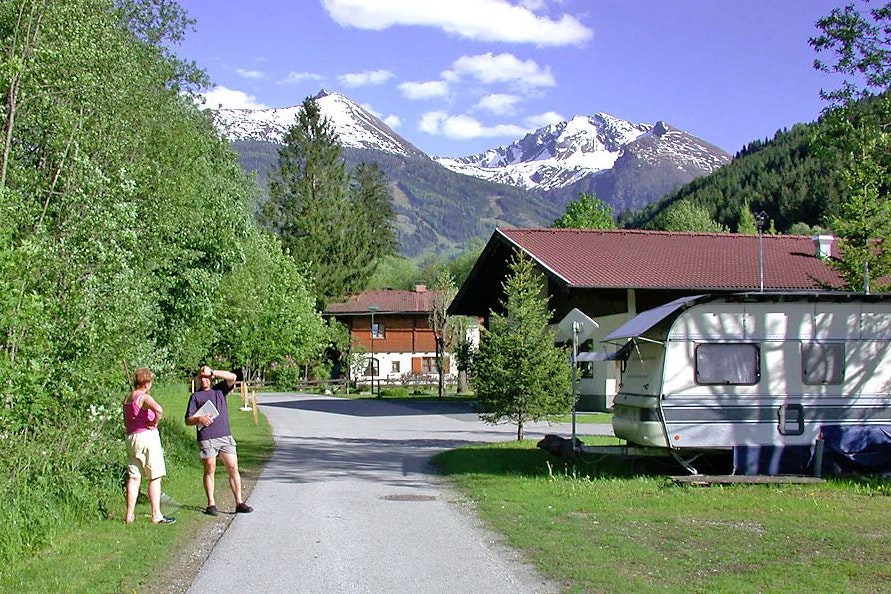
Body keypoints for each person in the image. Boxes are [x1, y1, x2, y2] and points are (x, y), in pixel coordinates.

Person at [185, 365, 253, 516]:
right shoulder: (195, 396)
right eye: (201, 377)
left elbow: (233, 377)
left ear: (211, 377)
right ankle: (211, 504)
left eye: (206, 376)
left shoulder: (220, 390)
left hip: (224, 436)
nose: (204, 379)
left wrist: (213, 372)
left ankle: (239, 502)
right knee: (210, 468)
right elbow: (188, 420)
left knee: (233, 467)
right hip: (206, 437)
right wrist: (199, 419)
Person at [124, 367, 175, 524]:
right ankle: (156, 515)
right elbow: (159, 409)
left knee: (134, 477)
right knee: (155, 477)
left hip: (131, 438)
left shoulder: (128, 398)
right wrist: (154, 422)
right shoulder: (144, 397)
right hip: (147, 437)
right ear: (146, 383)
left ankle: (129, 515)